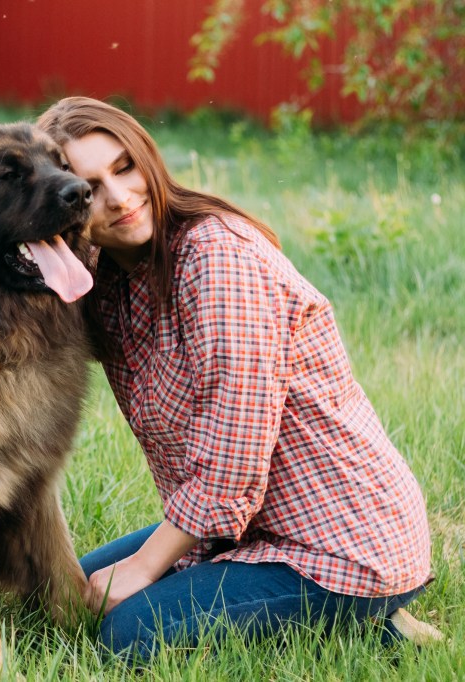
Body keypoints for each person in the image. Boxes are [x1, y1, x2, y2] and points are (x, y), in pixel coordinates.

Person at [35, 96, 436, 663]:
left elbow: (234, 457)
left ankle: (367, 618)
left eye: (125, 168)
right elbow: (14, 307)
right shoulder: (113, 278)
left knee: (126, 636)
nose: (120, 198)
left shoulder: (216, 256)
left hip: (339, 542)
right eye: (89, 189)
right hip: (243, 532)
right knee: (64, 596)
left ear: (147, 157)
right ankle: (335, 614)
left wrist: (145, 569)